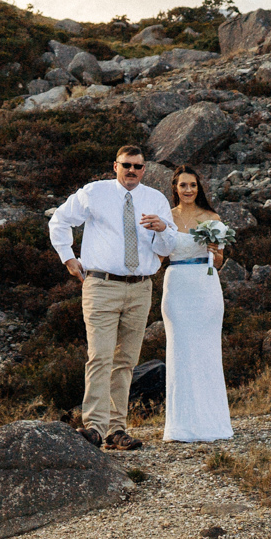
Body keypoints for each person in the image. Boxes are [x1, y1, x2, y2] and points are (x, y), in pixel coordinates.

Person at [48, 144, 177, 451]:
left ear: (144, 170)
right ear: (115, 166)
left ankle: (116, 430)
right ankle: (93, 426)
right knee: (100, 355)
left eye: (138, 166)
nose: (132, 171)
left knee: (126, 361)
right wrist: (68, 257)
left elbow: (169, 243)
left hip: (140, 288)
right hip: (102, 286)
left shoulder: (155, 199)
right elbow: (60, 220)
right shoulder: (94, 193)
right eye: (126, 165)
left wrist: (161, 229)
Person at [161, 164, 233, 442]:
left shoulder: (211, 217)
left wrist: (215, 252)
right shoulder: (166, 218)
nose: (188, 190)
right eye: (183, 185)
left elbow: (218, 261)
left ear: (198, 188)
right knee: (179, 352)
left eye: (193, 185)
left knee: (207, 353)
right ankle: (180, 426)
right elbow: (159, 255)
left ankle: (212, 424)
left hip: (205, 288)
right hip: (177, 284)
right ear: (175, 189)